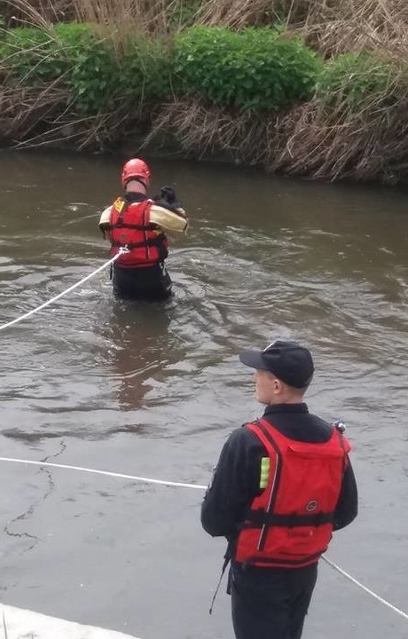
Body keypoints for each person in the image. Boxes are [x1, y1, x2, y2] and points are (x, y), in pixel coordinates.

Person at [201, 340, 358, 639]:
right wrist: (301, 532)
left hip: (258, 571)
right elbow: (347, 511)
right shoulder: (334, 441)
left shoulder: (247, 440)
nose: (254, 377)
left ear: (275, 386)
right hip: (303, 569)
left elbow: (213, 521)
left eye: (259, 371)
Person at [98, 158, 189, 301]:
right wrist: (174, 206)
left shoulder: (108, 212)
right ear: (146, 180)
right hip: (151, 278)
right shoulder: (154, 211)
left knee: (122, 310)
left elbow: (111, 238)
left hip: (122, 279)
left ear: (124, 181)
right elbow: (183, 226)